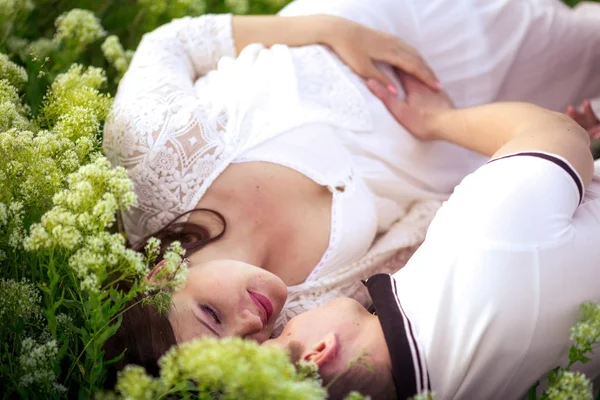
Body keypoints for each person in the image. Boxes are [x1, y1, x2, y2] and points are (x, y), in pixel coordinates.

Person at [103, 0, 600, 339]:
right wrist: (529, 144)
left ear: (158, 276)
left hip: (386, 29)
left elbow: (171, 43)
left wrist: (336, 30)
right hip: (466, 140)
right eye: (241, 350)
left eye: (211, 316)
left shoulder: (148, 163)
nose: (251, 324)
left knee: (574, 35)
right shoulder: (304, 318)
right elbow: (430, 232)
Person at [264, 75, 600, 400]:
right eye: (280, 332)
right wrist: (435, 120)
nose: (286, 322)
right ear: (319, 352)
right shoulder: (479, 246)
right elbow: (557, 131)